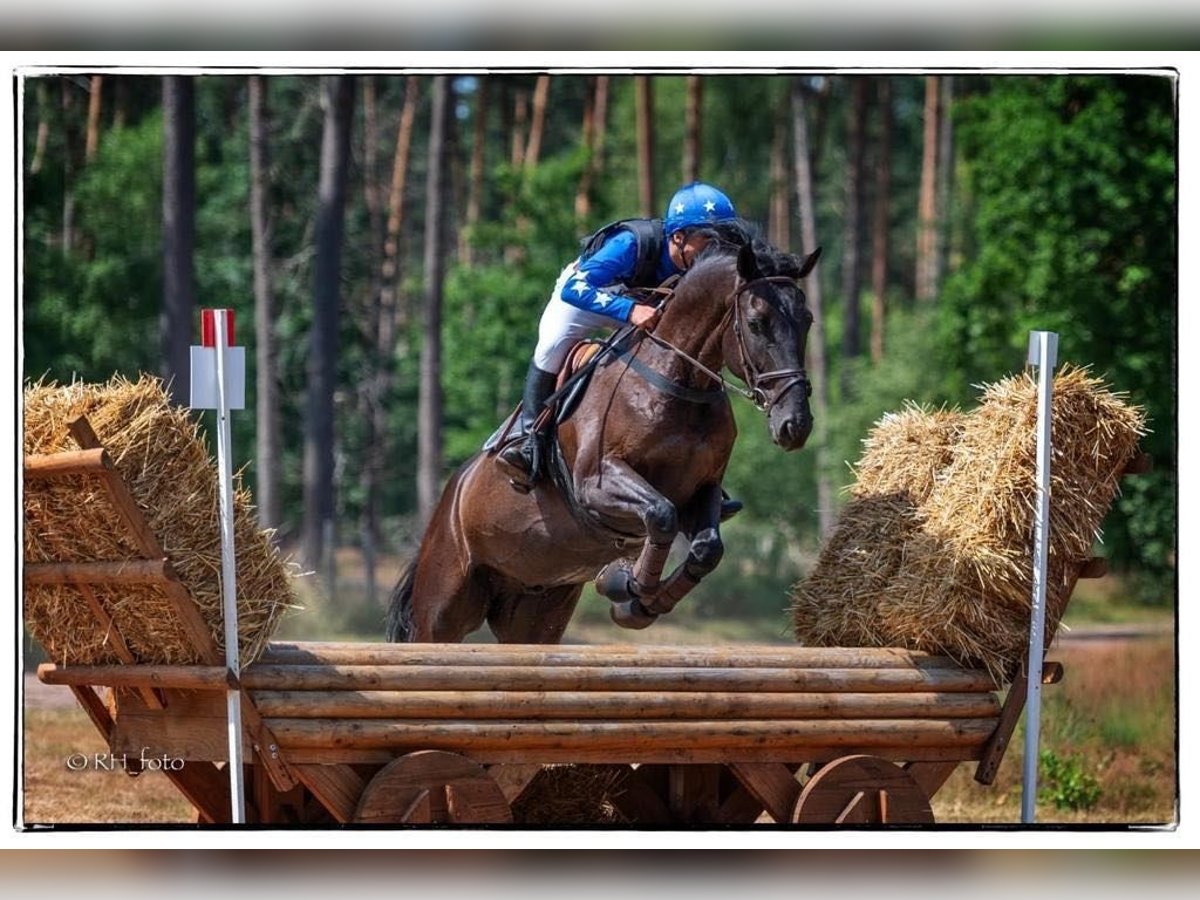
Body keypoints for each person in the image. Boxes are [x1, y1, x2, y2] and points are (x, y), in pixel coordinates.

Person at [495, 181, 739, 493]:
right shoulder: (632, 245)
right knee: (551, 347)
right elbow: (575, 290)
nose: (716, 249)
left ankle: (697, 469)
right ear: (678, 237)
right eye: (708, 239)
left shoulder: (700, 265)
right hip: (589, 295)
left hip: (640, 304)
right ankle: (529, 440)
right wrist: (628, 310)